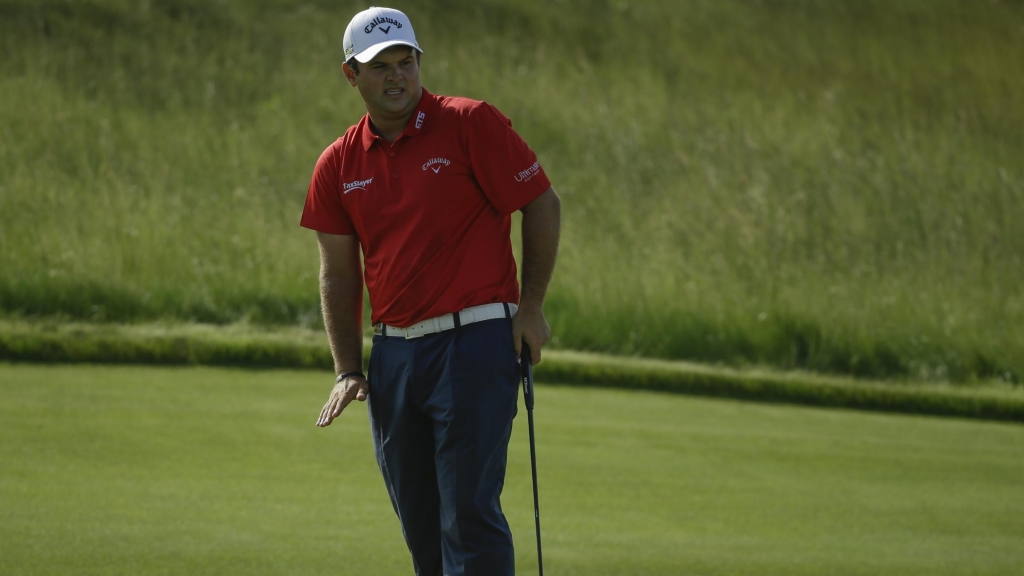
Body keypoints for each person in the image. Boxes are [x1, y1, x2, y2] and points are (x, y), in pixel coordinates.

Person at [299, 7, 561, 576]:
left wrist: (532, 306)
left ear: (418, 62)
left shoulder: (470, 123)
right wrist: (348, 368)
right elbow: (338, 273)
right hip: (394, 356)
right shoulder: (338, 163)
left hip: (475, 341)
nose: (397, 76)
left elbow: (540, 201)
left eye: (406, 62)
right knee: (421, 521)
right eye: (380, 66)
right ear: (352, 75)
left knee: (467, 515)